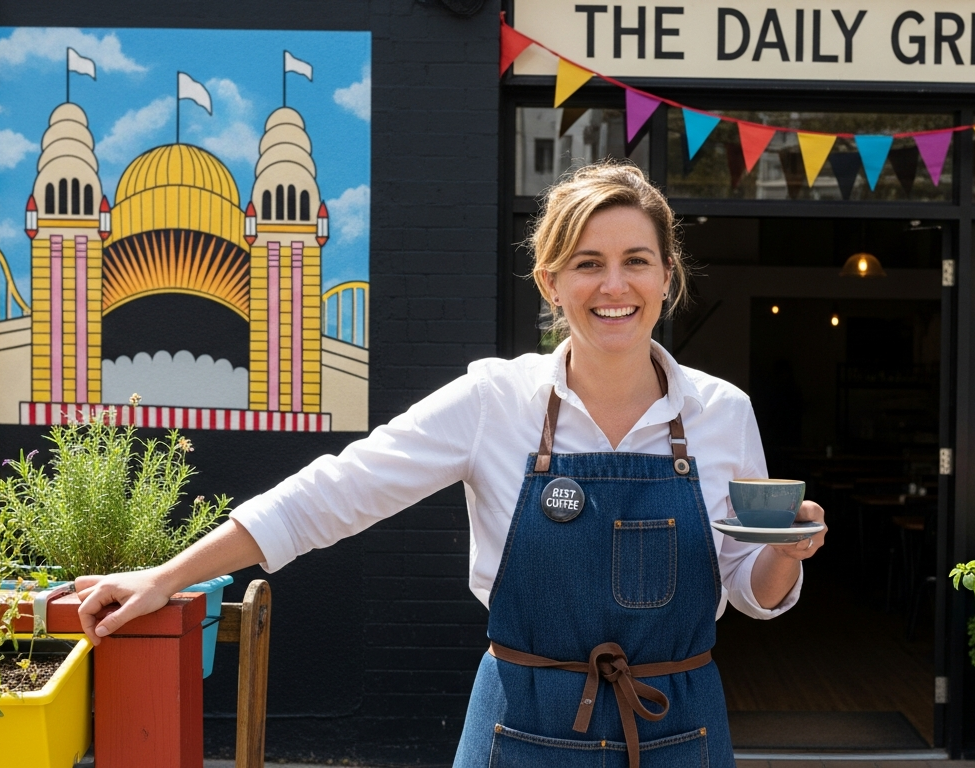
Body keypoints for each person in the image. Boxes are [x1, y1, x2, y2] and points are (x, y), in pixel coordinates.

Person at [75, 160, 826, 768]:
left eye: (637, 261)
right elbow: (332, 493)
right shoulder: (494, 399)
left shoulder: (720, 412)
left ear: (667, 275)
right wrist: (166, 577)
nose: (614, 285)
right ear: (551, 282)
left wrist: (785, 555)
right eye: (587, 263)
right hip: (519, 732)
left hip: (679, 733)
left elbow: (749, 589)